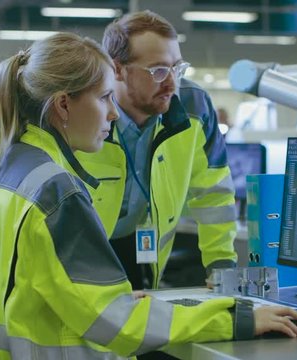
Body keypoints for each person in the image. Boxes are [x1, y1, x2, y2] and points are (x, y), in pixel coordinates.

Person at [0, 32, 297, 359]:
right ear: (63, 105)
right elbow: (119, 325)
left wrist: (112, 301)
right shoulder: (55, 192)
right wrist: (236, 319)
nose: (113, 112)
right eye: (104, 97)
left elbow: (35, 293)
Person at [77, 10, 239, 290]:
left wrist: (221, 267)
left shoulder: (194, 107)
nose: (172, 83)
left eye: (177, 68)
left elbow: (214, 195)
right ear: (117, 69)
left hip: (144, 253)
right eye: (158, 71)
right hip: (82, 254)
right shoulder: (84, 110)